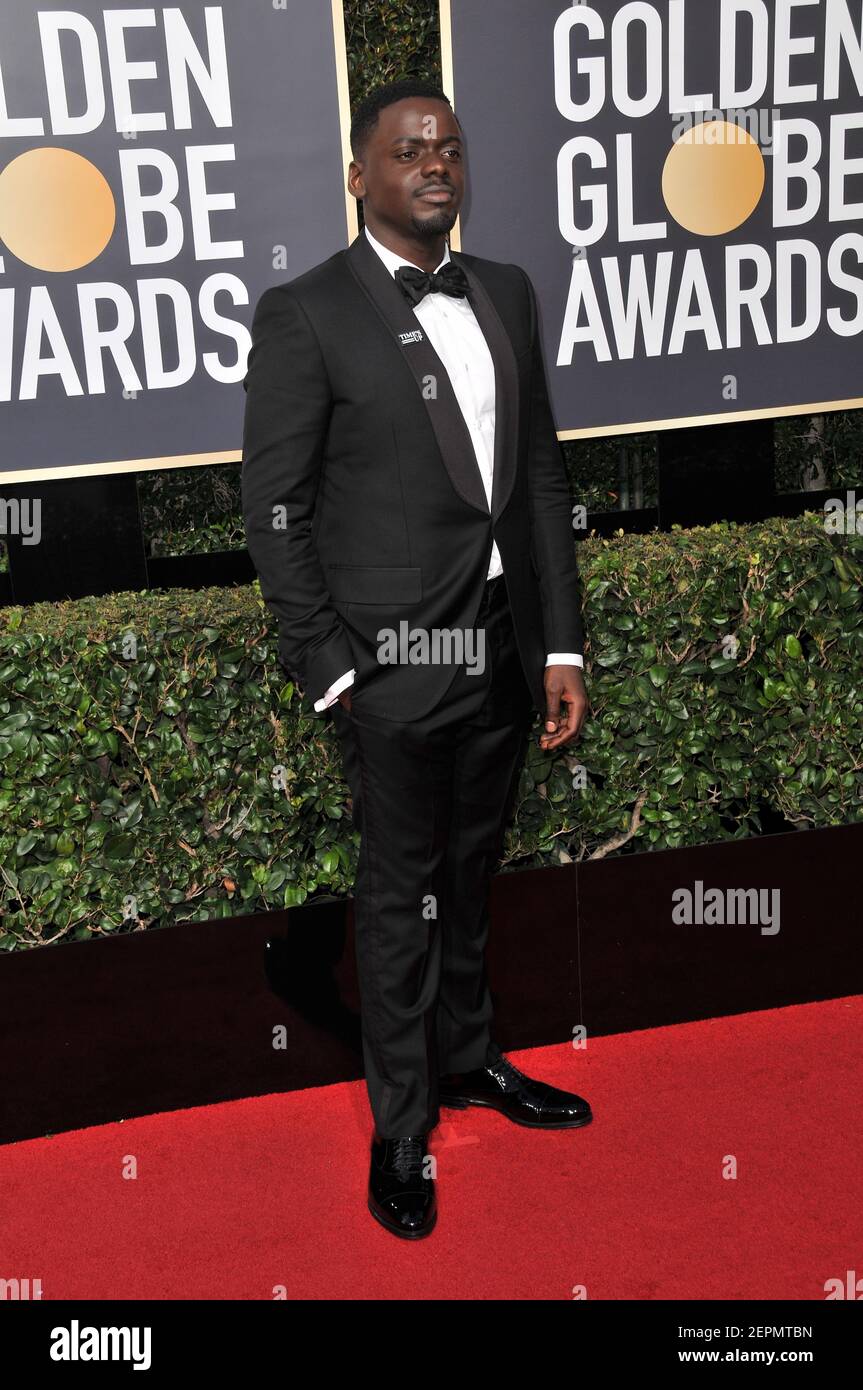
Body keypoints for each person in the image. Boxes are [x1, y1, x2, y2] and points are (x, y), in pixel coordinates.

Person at [242, 77, 591, 1240]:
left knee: (473, 867)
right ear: (359, 175)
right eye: (405, 150)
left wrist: (557, 641)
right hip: (390, 663)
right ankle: (402, 1124)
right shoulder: (305, 312)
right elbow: (274, 506)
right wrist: (328, 663)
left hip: (497, 647)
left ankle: (472, 1055)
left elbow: (537, 476)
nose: (433, 164)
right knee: (400, 895)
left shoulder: (504, 290)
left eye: (446, 148)